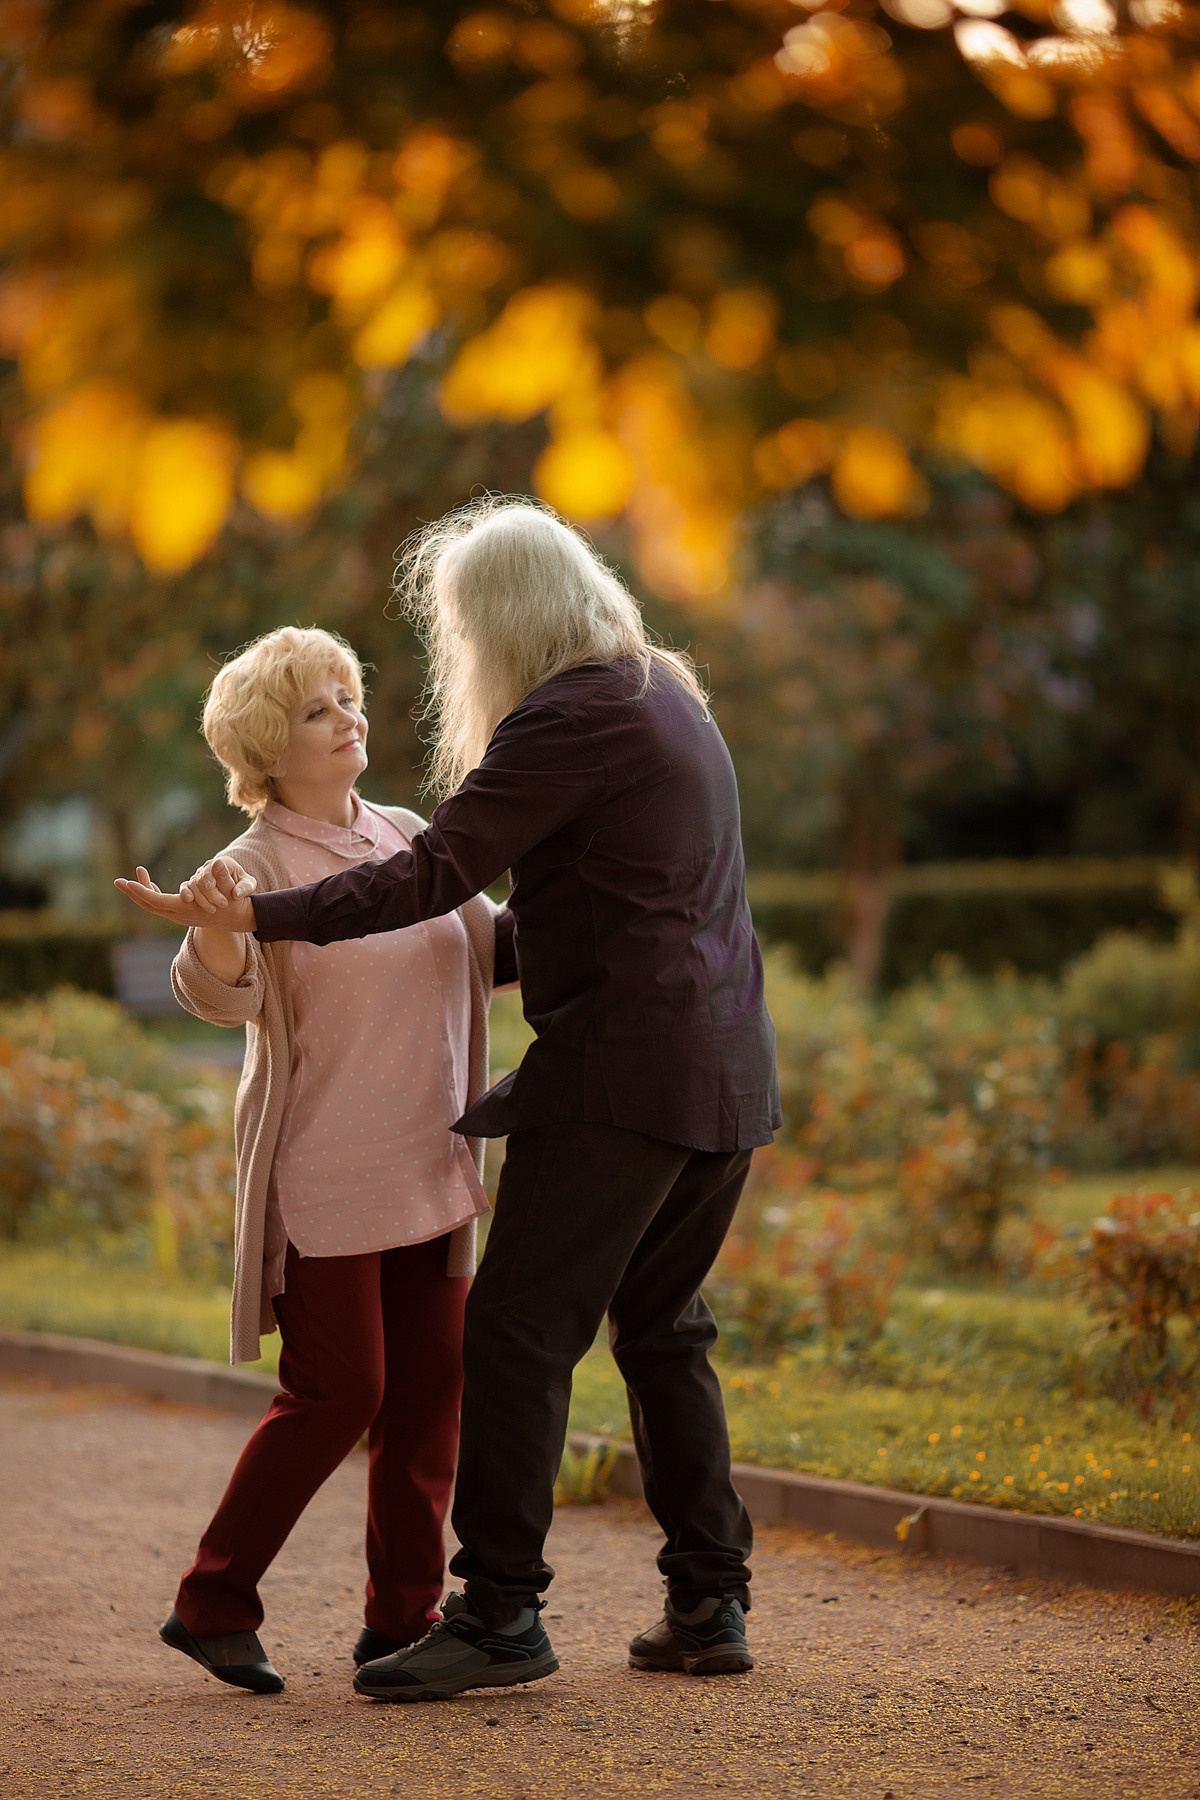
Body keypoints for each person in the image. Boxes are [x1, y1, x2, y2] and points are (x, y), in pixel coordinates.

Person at [117, 500, 780, 1702]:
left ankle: (481, 1614)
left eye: (461, 628)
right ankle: (703, 1596)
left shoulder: (552, 726)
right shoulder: (662, 697)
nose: (452, 657)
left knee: (503, 1345)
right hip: (704, 1073)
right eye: (317, 708)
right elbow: (237, 987)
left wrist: (264, 916)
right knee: (649, 1331)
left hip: (588, 1095)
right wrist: (237, 922)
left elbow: (442, 893)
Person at [138, 626, 512, 1696]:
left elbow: (497, 952)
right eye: (318, 709)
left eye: (349, 697)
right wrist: (216, 929)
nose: (349, 717)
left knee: (428, 1397)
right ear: (268, 745)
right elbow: (216, 994)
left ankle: (404, 1618)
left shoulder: (409, 834)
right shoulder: (248, 867)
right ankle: (212, 1603)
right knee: (340, 1392)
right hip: (327, 1175)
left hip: (432, 1164)